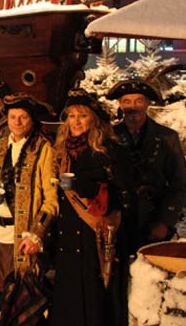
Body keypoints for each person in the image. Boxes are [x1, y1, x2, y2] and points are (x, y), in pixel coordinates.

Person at [51, 89, 129, 326]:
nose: (75, 121)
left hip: (93, 232)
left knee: (93, 292)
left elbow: (123, 193)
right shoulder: (62, 149)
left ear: (93, 119)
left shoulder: (110, 150)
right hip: (67, 233)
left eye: (82, 116)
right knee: (70, 290)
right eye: (71, 116)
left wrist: (83, 185)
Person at [0, 93, 58, 295]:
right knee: (3, 284)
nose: (17, 122)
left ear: (31, 119)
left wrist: (36, 234)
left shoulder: (43, 149)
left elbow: (51, 199)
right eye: (13, 117)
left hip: (24, 233)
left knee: (25, 290)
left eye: (23, 117)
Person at [107, 79, 186, 254]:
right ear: (120, 104)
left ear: (147, 103)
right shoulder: (109, 137)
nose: (132, 106)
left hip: (153, 222)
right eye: (127, 101)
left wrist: (164, 221)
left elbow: (180, 184)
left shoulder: (168, 138)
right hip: (118, 223)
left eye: (138, 101)